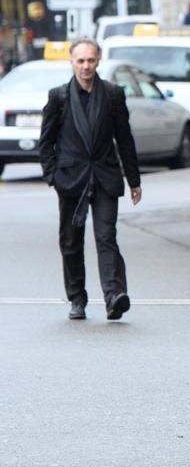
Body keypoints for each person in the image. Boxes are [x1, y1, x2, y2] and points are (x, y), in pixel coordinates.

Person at [38, 37, 141, 321]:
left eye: (91, 60)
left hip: (105, 176)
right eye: (80, 61)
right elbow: (46, 142)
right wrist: (53, 176)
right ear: (71, 62)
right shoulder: (58, 97)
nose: (86, 66)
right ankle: (77, 297)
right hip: (71, 179)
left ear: (99, 61)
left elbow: (125, 139)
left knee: (106, 236)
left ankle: (113, 296)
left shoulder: (112, 94)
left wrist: (134, 180)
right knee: (71, 241)